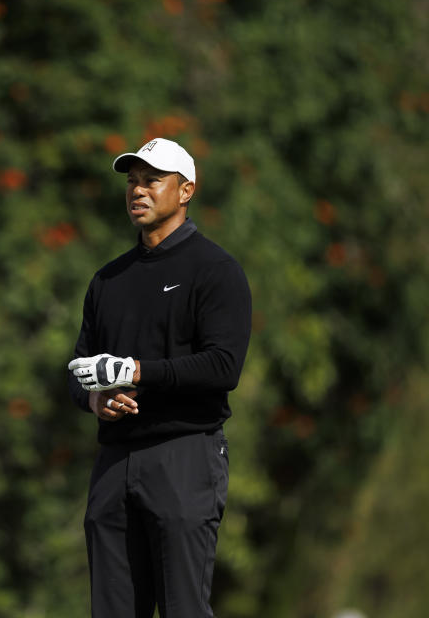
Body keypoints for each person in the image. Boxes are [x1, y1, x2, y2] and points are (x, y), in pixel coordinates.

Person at [68, 137, 251, 617]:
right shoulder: (109, 279)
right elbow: (77, 369)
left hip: (185, 456)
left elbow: (223, 366)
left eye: (152, 180)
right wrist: (95, 400)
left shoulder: (215, 270)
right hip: (114, 460)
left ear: (186, 190)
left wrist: (135, 371)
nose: (138, 191)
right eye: (132, 181)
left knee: (182, 609)